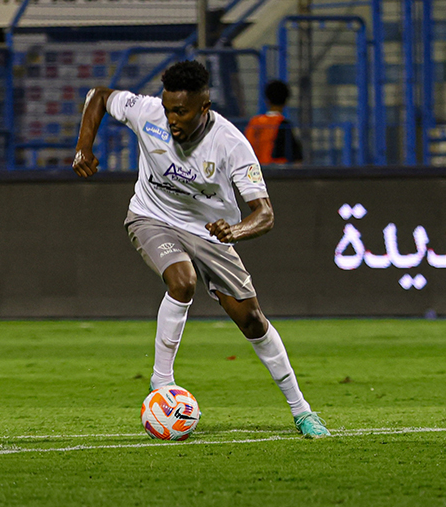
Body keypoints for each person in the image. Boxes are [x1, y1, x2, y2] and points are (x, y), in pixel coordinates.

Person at [72, 60, 329, 438]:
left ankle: (302, 411)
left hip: (212, 233)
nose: (171, 118)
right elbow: (98, 96)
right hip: (151, 217)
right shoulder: (148, 113)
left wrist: (235, 230)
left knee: (252, 320)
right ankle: (161, 385)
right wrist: (83, 148)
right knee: (182, 280)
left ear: (203, 108)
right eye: (168, 108)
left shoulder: (230, 144)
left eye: (181, 111)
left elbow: (265, 214)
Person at [244, 80, 302, 164]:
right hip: (275, 172)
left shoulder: (254, 122)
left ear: (267, 101)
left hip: (253, 170)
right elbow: (296, 156)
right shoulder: (284, 125)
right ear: (285, 102)